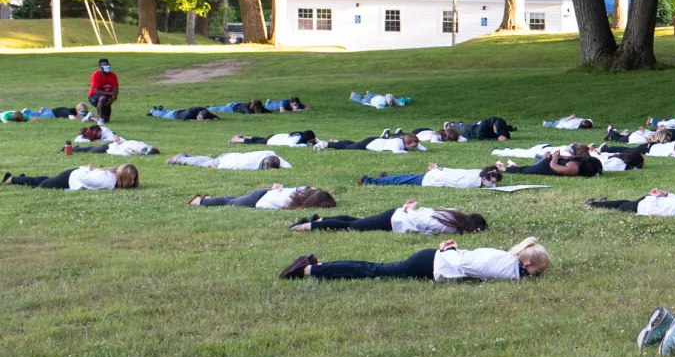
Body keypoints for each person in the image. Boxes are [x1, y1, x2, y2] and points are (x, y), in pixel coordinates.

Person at [280, 237, 549, 281]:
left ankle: (318, 266)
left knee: (373, 268)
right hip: (430, 264)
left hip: (431, 259)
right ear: (527, 266)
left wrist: (451, 250)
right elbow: (467, 264)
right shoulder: (506, 267)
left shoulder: (506, 256)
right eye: (538, 272)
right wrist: (451, 252)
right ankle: (309, 270)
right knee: (373, 271)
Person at [290, 200, 488, 234]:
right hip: (396, 219)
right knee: (352, 226)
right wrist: (409, 209)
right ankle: (306, 226)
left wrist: (410, 208)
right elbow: (421, 221)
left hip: (397, 215)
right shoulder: (450, 225)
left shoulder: (453, 214)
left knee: (355, 220)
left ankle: (318, 220)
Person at [187, 184, 336, 209]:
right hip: (259, 199)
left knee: (235, 198)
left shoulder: (307, 191)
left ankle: (208, 200)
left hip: (264, 192)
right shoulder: (290, 203)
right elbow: (261, 205)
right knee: (230, 203)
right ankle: (199, 202)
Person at [359, 163, 505, 188]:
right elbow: (452, 178)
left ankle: (377, 180)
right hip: (433, 177)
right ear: (484, 178)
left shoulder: (477, 174)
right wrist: (437, 170)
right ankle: (371, 181)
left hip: (434, 176)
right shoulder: (470, 181)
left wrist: (439, 169)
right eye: (492, 182)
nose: (493, 184)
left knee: (403, 179)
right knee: (401, 180)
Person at [3, 164, 139, 190]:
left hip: (72, 175)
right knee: (40, 185)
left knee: (45, 179)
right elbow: (84, 179)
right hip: (70, 178)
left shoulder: (113, 176)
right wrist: (85, 170)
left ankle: (21, 177)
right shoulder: (108, 180)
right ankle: (11, 179)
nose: (133, 182)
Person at [588, 189, 675, 216]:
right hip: (647, 204)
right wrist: (656, 196)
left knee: (627, 202)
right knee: (622, 207)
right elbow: (658, 211)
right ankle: (594, 205)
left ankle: (604, 203)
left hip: (650, 200)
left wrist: (663, 194)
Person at [498, 152, 605, 177]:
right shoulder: (577, 162)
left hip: (547, 166)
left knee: (526, 170)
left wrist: (554, 158)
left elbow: (555, 167)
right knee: (528, 169)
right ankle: (510, 167)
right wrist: (555, 155)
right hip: (547, 163)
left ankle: (506, 168)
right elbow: (564, 157)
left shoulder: (574, 167)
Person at [166, 150, 291, 170]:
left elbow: (284, 163)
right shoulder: (251, 165)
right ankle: (181, 159)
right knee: (203, 163)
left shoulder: (267, 153)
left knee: (210, 159)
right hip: (223, 162)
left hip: (229, 155)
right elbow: (234, 166)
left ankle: (189, 156)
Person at [313, 134, 424, 153]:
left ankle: (336, 142)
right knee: (349, 147)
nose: (413, 148)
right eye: (412, 147)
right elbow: (396, 152)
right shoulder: (397, 143)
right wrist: (407, 152)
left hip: (374, 141)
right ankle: (325, 144)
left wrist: (418, 147)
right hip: (371, 143)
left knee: (354, 144)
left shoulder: (403, 143)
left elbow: (424, 148)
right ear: (406, 143)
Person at [88, 59, 118, 123]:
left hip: (107, 97)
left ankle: (90, 117)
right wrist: (112, 93)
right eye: (105, 66)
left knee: (106, 119)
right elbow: (97, 91)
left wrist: (112, 99)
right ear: (100, 67)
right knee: (102, 97)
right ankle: (100, 118)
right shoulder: (96, 75)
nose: (107, 67)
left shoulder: (113, 75)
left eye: (108, 65)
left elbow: (115, 89)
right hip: (93, 97)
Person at [68, 138, 158, 156]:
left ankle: (74, 148)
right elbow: (121, 151)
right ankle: (71, 149)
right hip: (110, 147)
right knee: (92, 150)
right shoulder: (137, 147)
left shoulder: (141, 145)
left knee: (91, 149)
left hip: (113, 145)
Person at [229, 131, 316, 147]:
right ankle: (237, 140)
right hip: (273, 141)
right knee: (257, 142)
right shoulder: (295, 140)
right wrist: (305, 145)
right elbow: (292, 146)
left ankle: (244, 136)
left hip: (276, 136)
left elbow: (315, 139)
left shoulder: (299, 134)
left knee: (261, 139)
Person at [146, 106, 219, 121]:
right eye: (200, 118)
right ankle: (153, 111)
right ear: (199, 114)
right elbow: (184, 119)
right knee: (163, 115)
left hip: (180, 110)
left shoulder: (205, 110)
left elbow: (216, 117)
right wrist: (196, 121)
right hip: (175, 115)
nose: (200, 119)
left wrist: (212, 119)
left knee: (169, 112)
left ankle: (163, 109)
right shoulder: (189, 113)